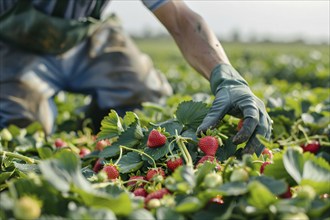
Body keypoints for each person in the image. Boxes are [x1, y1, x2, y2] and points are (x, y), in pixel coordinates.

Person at [0, 0, 271, 155]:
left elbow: (179, 17)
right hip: (14, 44)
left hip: (84, 35)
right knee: (19, 128)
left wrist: (226, 77)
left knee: (144, 94)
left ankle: (98, 127)